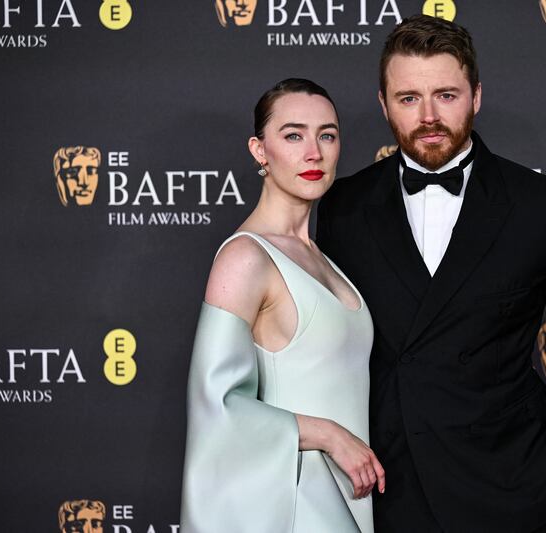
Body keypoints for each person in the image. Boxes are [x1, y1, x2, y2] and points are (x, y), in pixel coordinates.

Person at [317, 15, 546, 533]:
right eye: (409, 98)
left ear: (476, 96)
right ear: (384, 104)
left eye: (446, 95)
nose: (429, 116)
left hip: (511, 487)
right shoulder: (343, 207)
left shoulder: (539, 205)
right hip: (389, 488)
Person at [180, 78, 383, 533]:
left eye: (327, 135)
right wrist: (330, 435)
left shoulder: (322, 258)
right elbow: (217, 405)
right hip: (295, 503)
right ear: (260, 150)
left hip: (348, 494)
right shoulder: (245, 258)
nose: (314, 153)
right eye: (293, 136)